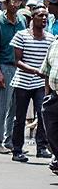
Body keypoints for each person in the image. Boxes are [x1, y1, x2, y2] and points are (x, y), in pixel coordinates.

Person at [9, 5, 55, 162]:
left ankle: (41, 147)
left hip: (41, 83)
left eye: (46, 16)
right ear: (32, 18)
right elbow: (17, 61)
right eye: (40, 16)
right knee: (20, 117)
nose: (43, 19)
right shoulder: (21, 36)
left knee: (42, 116)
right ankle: (17, 149)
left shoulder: (50, 39)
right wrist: (36, 71)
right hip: (22, 82)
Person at [0, 0, 27, 154]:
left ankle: (9, 140)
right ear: (5, 2)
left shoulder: (22, 21)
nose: (15, 4)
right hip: (4, 66)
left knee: (15, 107)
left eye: (18, 1)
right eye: (13, 1)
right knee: (1, 106)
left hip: (20, 67)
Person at [38, 35, 58, 174]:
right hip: (54, 95)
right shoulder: (54, 44)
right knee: (51, 130)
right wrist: (47, 95)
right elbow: (46, 71)